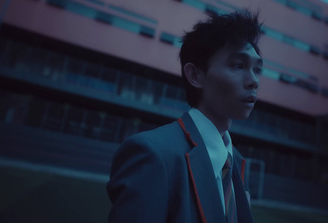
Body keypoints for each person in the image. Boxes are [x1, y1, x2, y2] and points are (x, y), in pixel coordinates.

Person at [107, 9, 263, 223]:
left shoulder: (235, 160)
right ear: (195, 75)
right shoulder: (153, 154)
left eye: (257, 69)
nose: (254, 80)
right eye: (239, 65)